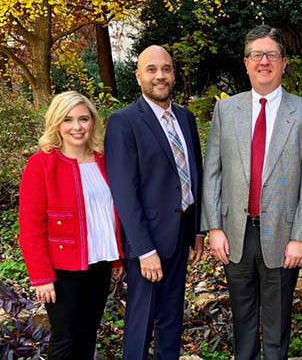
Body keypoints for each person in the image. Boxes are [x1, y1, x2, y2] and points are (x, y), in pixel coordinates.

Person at [201, 25, 302, 360]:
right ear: (246, 63)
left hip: (284, 237)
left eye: (272, 55)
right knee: (241, 322)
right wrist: (214, 228)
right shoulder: (227, 112)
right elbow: (212, 172)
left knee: (277, 323)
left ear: (284, 63)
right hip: (235, 234)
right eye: (257, 55)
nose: (264, 62)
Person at [104, 45, 203, 360]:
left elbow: (192, 174)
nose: (160, 76)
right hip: (147, 244)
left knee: (172, 318)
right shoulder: (124, 122)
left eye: (166, 69)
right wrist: (144, 250)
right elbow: (124, 192)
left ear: (174, 73)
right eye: (152, 69)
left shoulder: (185, 118)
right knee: (141, 322)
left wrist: (197, 230)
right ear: (138, 76)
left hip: (180, 234)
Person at [18, 91, 123, 360]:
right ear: (57, 124)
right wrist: (41, 276)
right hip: (63, 268)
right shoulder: (42, 164)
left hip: (99, 262)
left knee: (88, 333)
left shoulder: (104, 160)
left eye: (83, 119)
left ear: (93, 122)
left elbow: (113, 211)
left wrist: (118, 258)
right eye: (68, 120)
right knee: (66, 338)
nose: (77, 127)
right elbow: (31, 227)